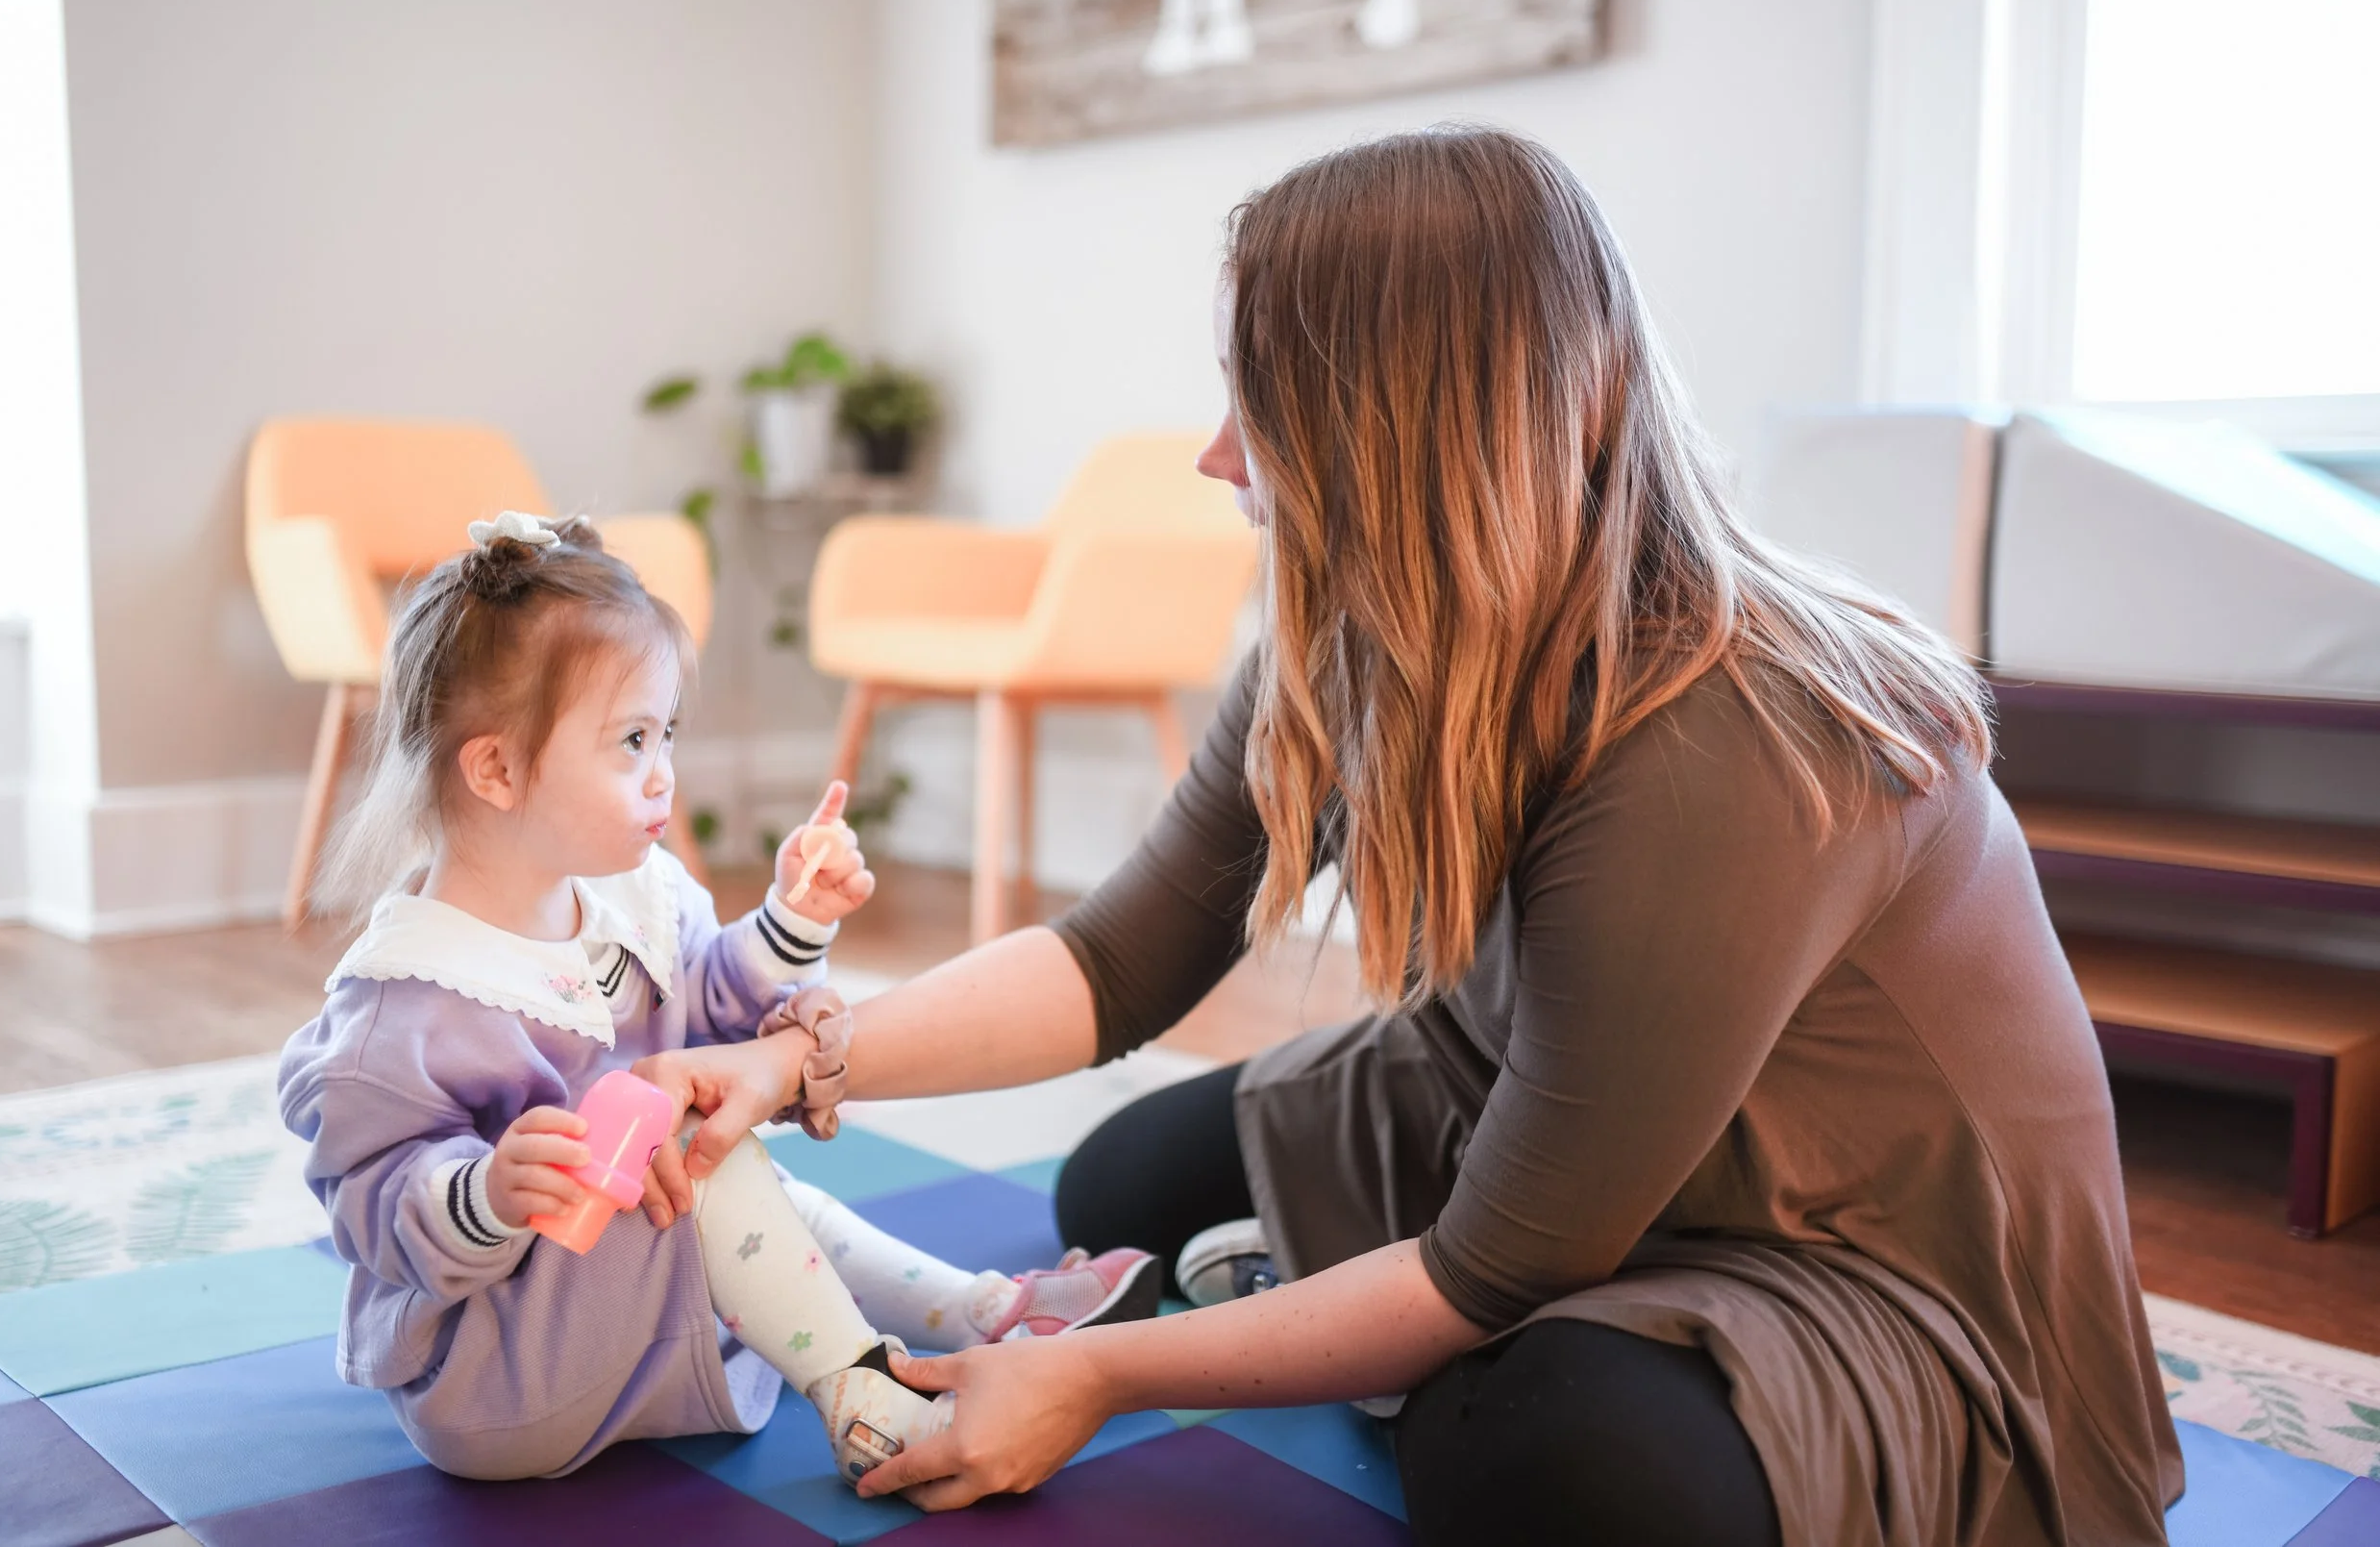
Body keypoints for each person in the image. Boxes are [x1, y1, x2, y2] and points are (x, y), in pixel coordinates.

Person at [639, 126, 2184, 1546]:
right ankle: (1366, 1310)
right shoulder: (1356, 637)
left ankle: (1475, 1343)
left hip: (1854, 1249)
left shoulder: (1730, 741)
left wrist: (1100, 1375)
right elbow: (1123, 953)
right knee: (1120, 1187)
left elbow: (1496, 1263)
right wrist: (794, 1060)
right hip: (1542, 1099)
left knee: (1530, 1447)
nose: (1218, 454)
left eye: (1264, 403)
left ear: (1402, 431)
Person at [277, 512, 1157, 1485]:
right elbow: (368, 1199)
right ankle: (862, 1393)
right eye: (629, 741)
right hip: (506, 1375)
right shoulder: (408, 998)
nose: (665, 775)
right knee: (710, 1166)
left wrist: (794, 920)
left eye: (667, 733)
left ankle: (983, 1310)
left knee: (752, 1183)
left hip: (640, 1312)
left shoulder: (630, 893)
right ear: (495, 767)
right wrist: (485, 1190)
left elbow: (721, 1013)